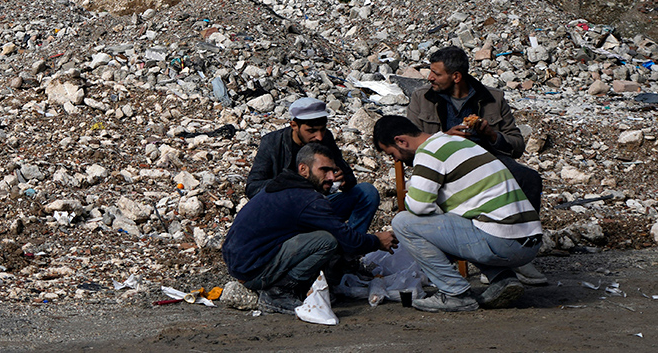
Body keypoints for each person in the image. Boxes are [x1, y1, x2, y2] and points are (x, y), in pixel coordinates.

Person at [373, 115, 542, 312]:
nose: (395, 159)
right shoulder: (453, 142)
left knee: (403, 222)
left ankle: (455, 293)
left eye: (391, 153)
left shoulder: (429, 152)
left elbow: (418, 207)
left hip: (503, 241)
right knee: (462, 217)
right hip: (528, 240)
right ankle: (502, 278)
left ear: (401, 141)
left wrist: (412, 188)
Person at [405, 44, 546, 280]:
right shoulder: (422, 98)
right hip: (443, 166)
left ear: (456, 76)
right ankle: (474, 259)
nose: (430, 77)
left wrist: (492, 135)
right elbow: (410, 140)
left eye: (436, 73)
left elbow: (517, 144)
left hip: (488, 162)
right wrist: (443, 137)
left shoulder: (493, 98)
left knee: (529, 178)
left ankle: (518, 251)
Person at [223, 143, 396, 314]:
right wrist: (376, 241)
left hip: (244, 258)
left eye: (333, 171)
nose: (331, 177)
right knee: (326, 241)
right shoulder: (307, 200)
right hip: (252, 270)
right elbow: (348, 239)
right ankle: (279, 292)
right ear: (303, 169)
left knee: (365, 192)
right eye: (324, 171)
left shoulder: (288, 184)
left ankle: (341, 266)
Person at [246, 97, 381, 236]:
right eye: (311, 131)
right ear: (294, 125)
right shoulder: (272, 143)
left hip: (320, 207)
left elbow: (348, 177)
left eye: (322, 130)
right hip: (286, 213)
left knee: (367, 192)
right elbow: (253, 187)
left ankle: (352, 246)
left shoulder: (325, 139)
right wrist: (291, 185)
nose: (319, 137)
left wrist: (343, 178)